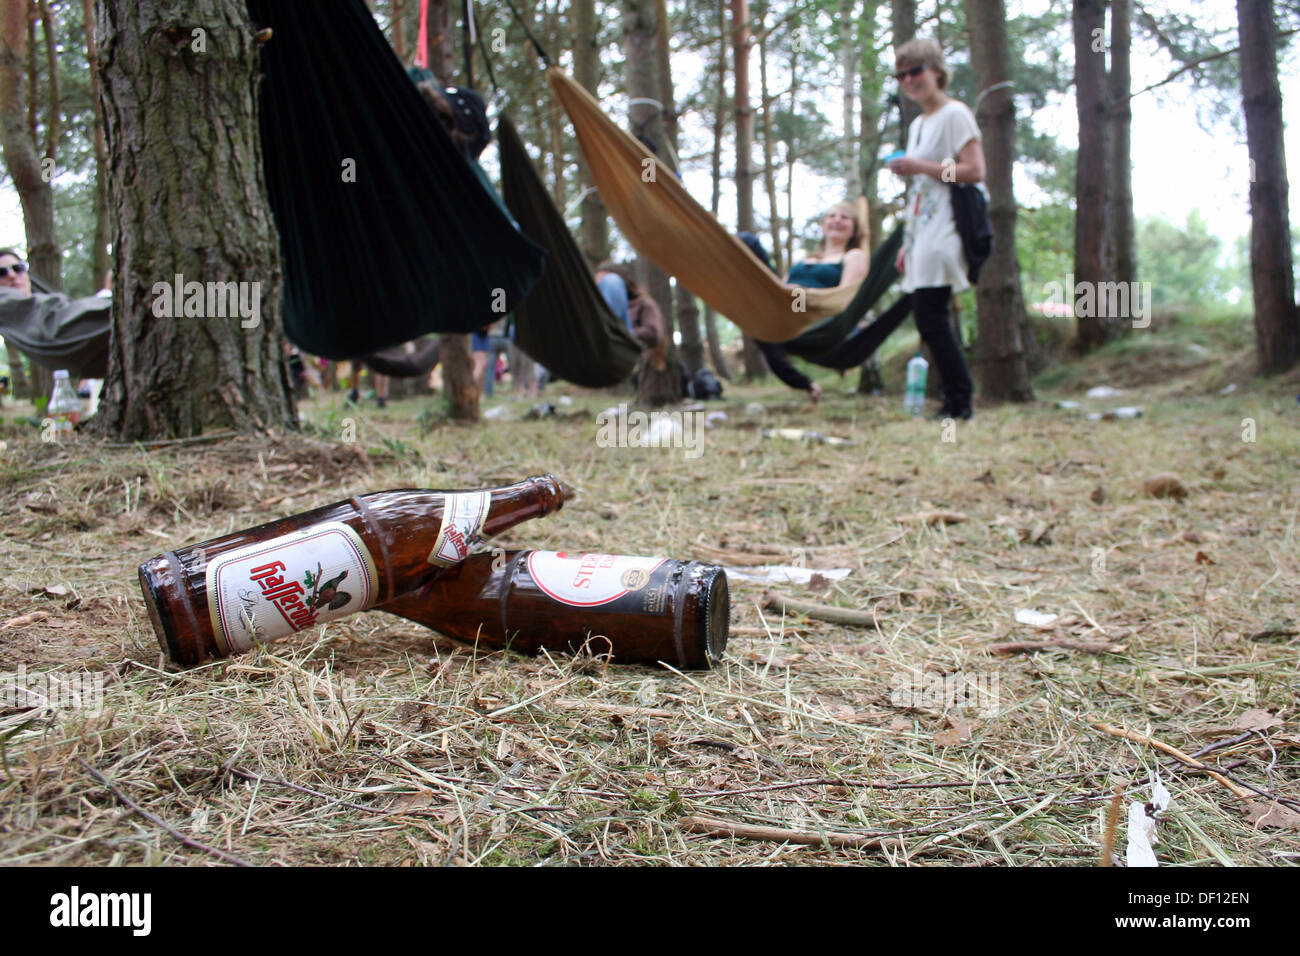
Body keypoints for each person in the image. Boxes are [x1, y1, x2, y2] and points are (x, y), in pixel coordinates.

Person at [885, 37, 984, 420]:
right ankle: (955, 399)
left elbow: (975, 171)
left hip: (949, 225)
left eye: (916, 71)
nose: (909, 80)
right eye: (902, 75)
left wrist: (920, 166)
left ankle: (959, 401)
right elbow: (918, 192)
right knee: (930, 316)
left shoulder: (955, 114)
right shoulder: (919, 124)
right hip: (923, 229)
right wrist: (906, 244)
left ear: (937, 72)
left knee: (931, 314)